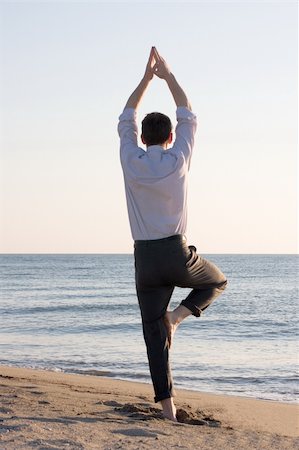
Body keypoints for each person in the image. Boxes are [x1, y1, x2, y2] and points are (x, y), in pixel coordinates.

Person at [118, 47, 227, 422]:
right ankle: (177, 319)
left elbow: (127, 116)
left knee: (152, 337)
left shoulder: (130, 158)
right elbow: (188, 114)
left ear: (144, 138)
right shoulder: (179, 158)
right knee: (217, 281)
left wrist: (146, 79)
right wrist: (167, 75)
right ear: (168, 138)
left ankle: (168, 409)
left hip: (145, 261)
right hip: (176, 255)